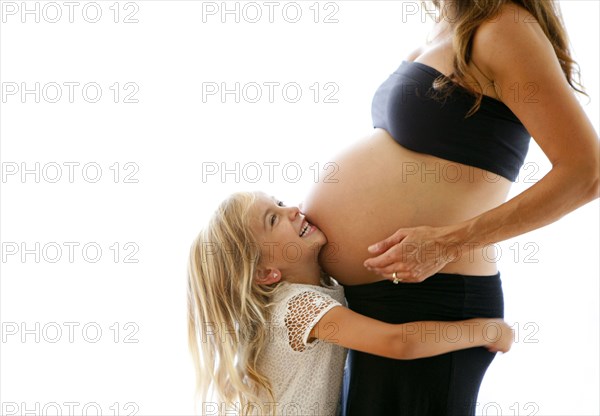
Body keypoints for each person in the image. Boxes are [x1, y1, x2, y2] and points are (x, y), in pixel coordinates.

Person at [301, 0, 599, 415]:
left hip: (432, 298)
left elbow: (587, 173)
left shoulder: (504, 28)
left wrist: (449, 242)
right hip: (381, 298)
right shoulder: (447, 25)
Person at [187, 191, 513, 416]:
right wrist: (485, 331)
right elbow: (398, 342)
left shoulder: (316, 293)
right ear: (266, 273)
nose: (293, 210)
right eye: (273, 219)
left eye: (281, 202)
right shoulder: (300, 308)